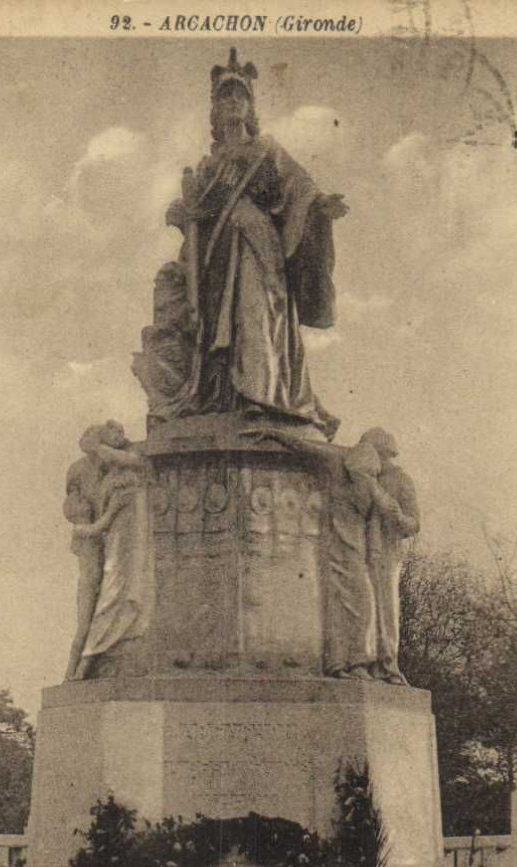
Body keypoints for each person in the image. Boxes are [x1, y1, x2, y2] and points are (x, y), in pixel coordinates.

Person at [146, 49, 347, 436]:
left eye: (240, 95)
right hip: (217, 257)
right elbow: (198, 216)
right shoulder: (208, 165)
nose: (233, 102)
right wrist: (182, 217)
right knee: (216, 330)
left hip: (257, 247)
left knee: (254, 318)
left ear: (250, 106)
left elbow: (299, 186)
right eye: (226, 97)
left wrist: (320, 206)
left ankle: (262, 396)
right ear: (216, 112)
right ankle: (225, 398)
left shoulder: (266, 150)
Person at [242, 425, 380, 679]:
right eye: (356, 472)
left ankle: (357, 662)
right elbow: (306, 447)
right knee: (339, 606)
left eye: (363, 475)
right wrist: (276, 434)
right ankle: (341, 664)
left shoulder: (371, 488)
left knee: (362, 605)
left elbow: (393, 519)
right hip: (331, 552)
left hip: (356, 556)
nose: (358, 477)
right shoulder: (338, 463)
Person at [63, 422, 153, 681]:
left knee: (109, 603)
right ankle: (80, 667)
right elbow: (98, 525)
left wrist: (96, 447)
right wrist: (111, 511)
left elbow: (134, 461)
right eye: (112, 433)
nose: (120, 437)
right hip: (101, 564)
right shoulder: (83, 525)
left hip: (120, 549)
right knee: (91, 617)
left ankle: (80, 668)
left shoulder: (120, 470)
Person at [360, 428, 420, 685]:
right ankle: (365, 660)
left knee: (386, 607)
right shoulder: (362, 478)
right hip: (359, 550)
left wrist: (393, 515)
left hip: (387, 550)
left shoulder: (401, 480)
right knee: (364, 607)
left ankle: (387, 664)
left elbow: (413, 523)